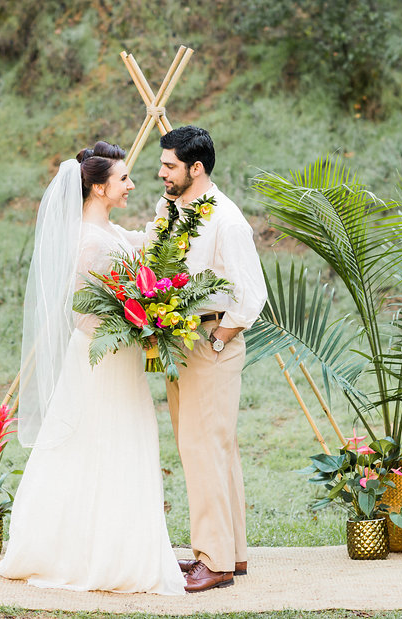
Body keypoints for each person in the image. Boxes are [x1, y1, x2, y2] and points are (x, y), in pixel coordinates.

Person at [0, 142, 186, 596]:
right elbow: (86, 312)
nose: (131, 184)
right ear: (99, 187)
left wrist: (171, 214)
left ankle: (122, 544)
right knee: (95, 446)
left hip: (119, 358)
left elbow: (143, 244)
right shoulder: (87, 243)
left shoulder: (110, 232)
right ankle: (86, 552)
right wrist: (141, 314)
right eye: (123, 179)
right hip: (100, 359)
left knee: (121, 444)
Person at [147, 126, 267, 593]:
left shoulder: (226, 220)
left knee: (203, 449)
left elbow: (252, 294)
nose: (161, 173)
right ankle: (229, 553)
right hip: (180, 340)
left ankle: (213, 561)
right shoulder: (173, 210)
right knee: (213, 448)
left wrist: (217, 339)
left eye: (169, 165)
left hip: (209, 342)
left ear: (196, 168)